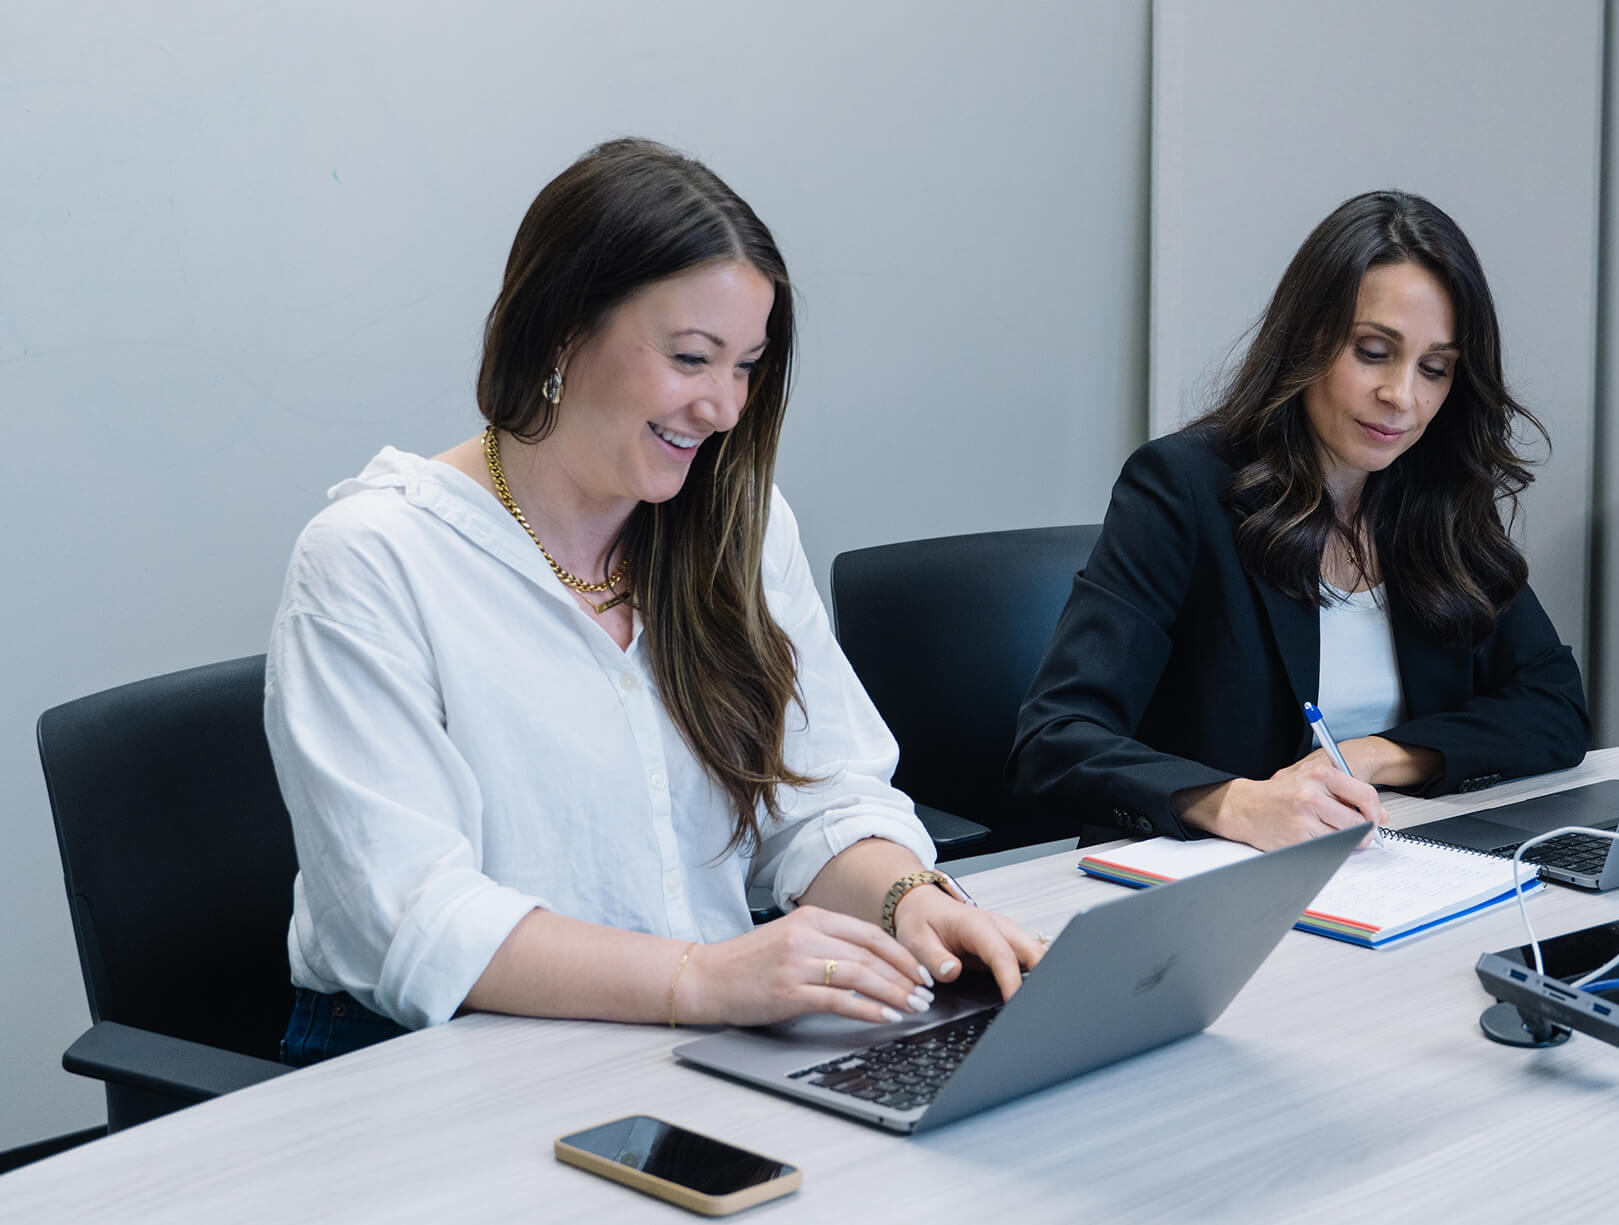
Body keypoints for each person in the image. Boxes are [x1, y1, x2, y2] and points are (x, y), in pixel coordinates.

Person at [266, 139, 1042, 1064]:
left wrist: (907, 900)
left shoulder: (736, 528)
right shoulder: (373, 559)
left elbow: (822, 797)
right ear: (561, 335)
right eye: (691, 358)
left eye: (746, 366)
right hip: (427, 1061)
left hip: (686, 1037)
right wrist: (704, 979)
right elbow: (415, 920)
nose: (722, 407)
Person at [1008, 190, 1589, 852]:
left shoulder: (1437, 497)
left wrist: (1374, 755)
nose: (1402, 396)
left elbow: (1555, 706)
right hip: (1212, 882)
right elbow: (1056, 734)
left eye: (1435, 368)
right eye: (1373, 350)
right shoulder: (1184, 488)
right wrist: (1234, 803)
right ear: (1307, 338)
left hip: (1388, 867)